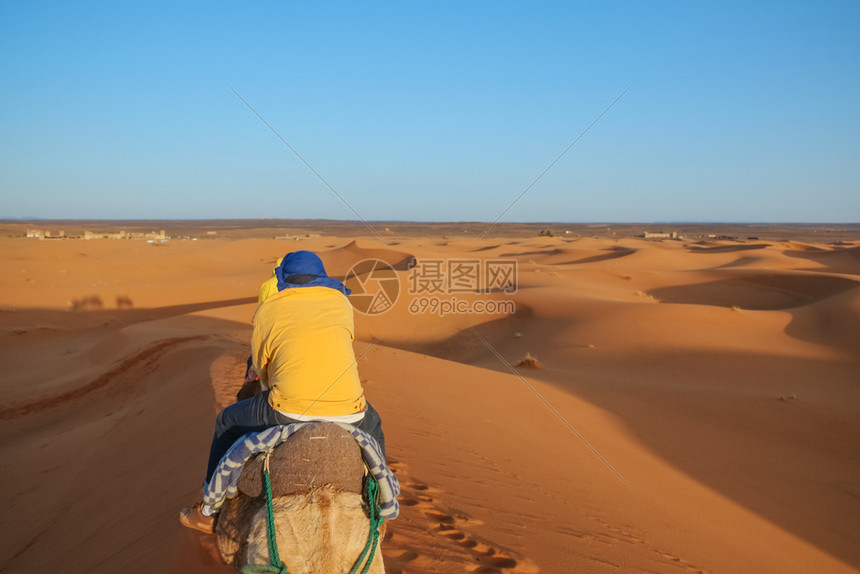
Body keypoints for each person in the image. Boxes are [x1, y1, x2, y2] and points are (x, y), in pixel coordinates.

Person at [180, 250, 386, 533]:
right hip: (349, 410)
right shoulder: (342, 304)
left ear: (284, 278)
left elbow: (262, 367)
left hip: (287, 409)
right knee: (375, 426)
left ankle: (209, 508)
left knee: (226, 422)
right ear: (322, 277)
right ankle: (380, 500)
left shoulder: (270, 308)